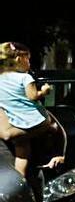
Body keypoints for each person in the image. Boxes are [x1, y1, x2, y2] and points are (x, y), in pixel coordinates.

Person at [0, 42, 65, 177]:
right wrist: (45, 91)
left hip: (14, 120)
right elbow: (33, 96)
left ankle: (20, 180)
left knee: (22, 151)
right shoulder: (25, 77)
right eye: (28, 59)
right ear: (18, 59)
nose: (29, 63)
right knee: (49, 124)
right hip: (34, 120)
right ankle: (21, 180)